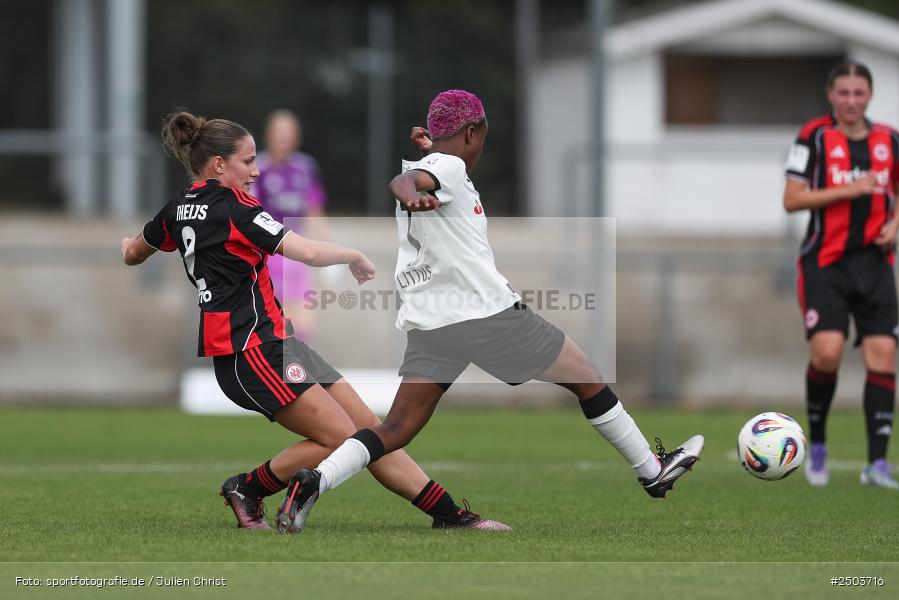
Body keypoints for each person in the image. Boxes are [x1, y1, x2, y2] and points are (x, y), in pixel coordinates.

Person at [274, 90, 704, 534]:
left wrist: (417, 176)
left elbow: (415, 176)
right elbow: (408, 183)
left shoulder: (435, 165)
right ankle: (651, 471)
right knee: (588, 377)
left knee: (397, 427)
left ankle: (313, 482)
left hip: (433, 320)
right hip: (485, 313)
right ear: (472, 132)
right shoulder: (450, 166)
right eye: (481, 139)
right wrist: (410, 192)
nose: (480, 149)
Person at [121, 110, 509, 531]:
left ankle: (448, 514)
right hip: (249, 351)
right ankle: (247, 488)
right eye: (248, 161)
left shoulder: (177, 208)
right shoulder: (237, 209)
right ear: (219, 165)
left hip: (275, 344)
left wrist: (127, 243)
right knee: (342, 439)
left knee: (369, 431)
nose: (255, 170)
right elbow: (304, 250)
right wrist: (353, 255)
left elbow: (133, 252)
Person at [784, 60, 899, 490]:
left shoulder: (890, 140)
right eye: (843, 93)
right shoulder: (813, 136)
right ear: (830, 95)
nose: (851, 101)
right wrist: (849, 190)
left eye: (859, 93)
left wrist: (895, 224)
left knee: (883, 356)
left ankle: (877, 466)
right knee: (827, 354)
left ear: (869, 95)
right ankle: (818, 445)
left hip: (875, 264)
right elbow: (792, 200)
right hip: (825, 263)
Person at [252, 110, 326, 339]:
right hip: (269, 254)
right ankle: (275, 371)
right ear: (268, 136)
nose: (284, 139)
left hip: (297, 254)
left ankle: (296, 371)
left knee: (304, 324)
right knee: (276, 322)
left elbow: (314, 210)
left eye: (289, 133)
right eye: (279, 133)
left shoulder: (305, 167)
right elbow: (251, 214)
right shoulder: (257, 169)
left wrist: (328, 255)